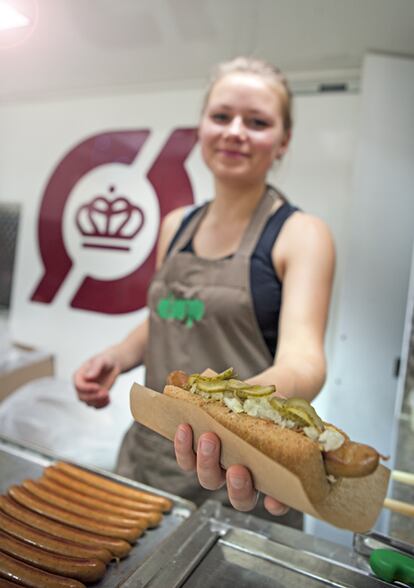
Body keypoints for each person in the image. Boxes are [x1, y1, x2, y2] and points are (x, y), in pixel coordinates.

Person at [74, 56, 335, 528]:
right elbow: (171, 313)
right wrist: (116, 355)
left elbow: (305, 362)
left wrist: (228, 405)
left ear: (283, 142)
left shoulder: (301, 234)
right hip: (151, 457)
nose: (236, 131)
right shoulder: (177, 224)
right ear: (200, 128)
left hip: (242, 469)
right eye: (221, 116)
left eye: (257, 122)